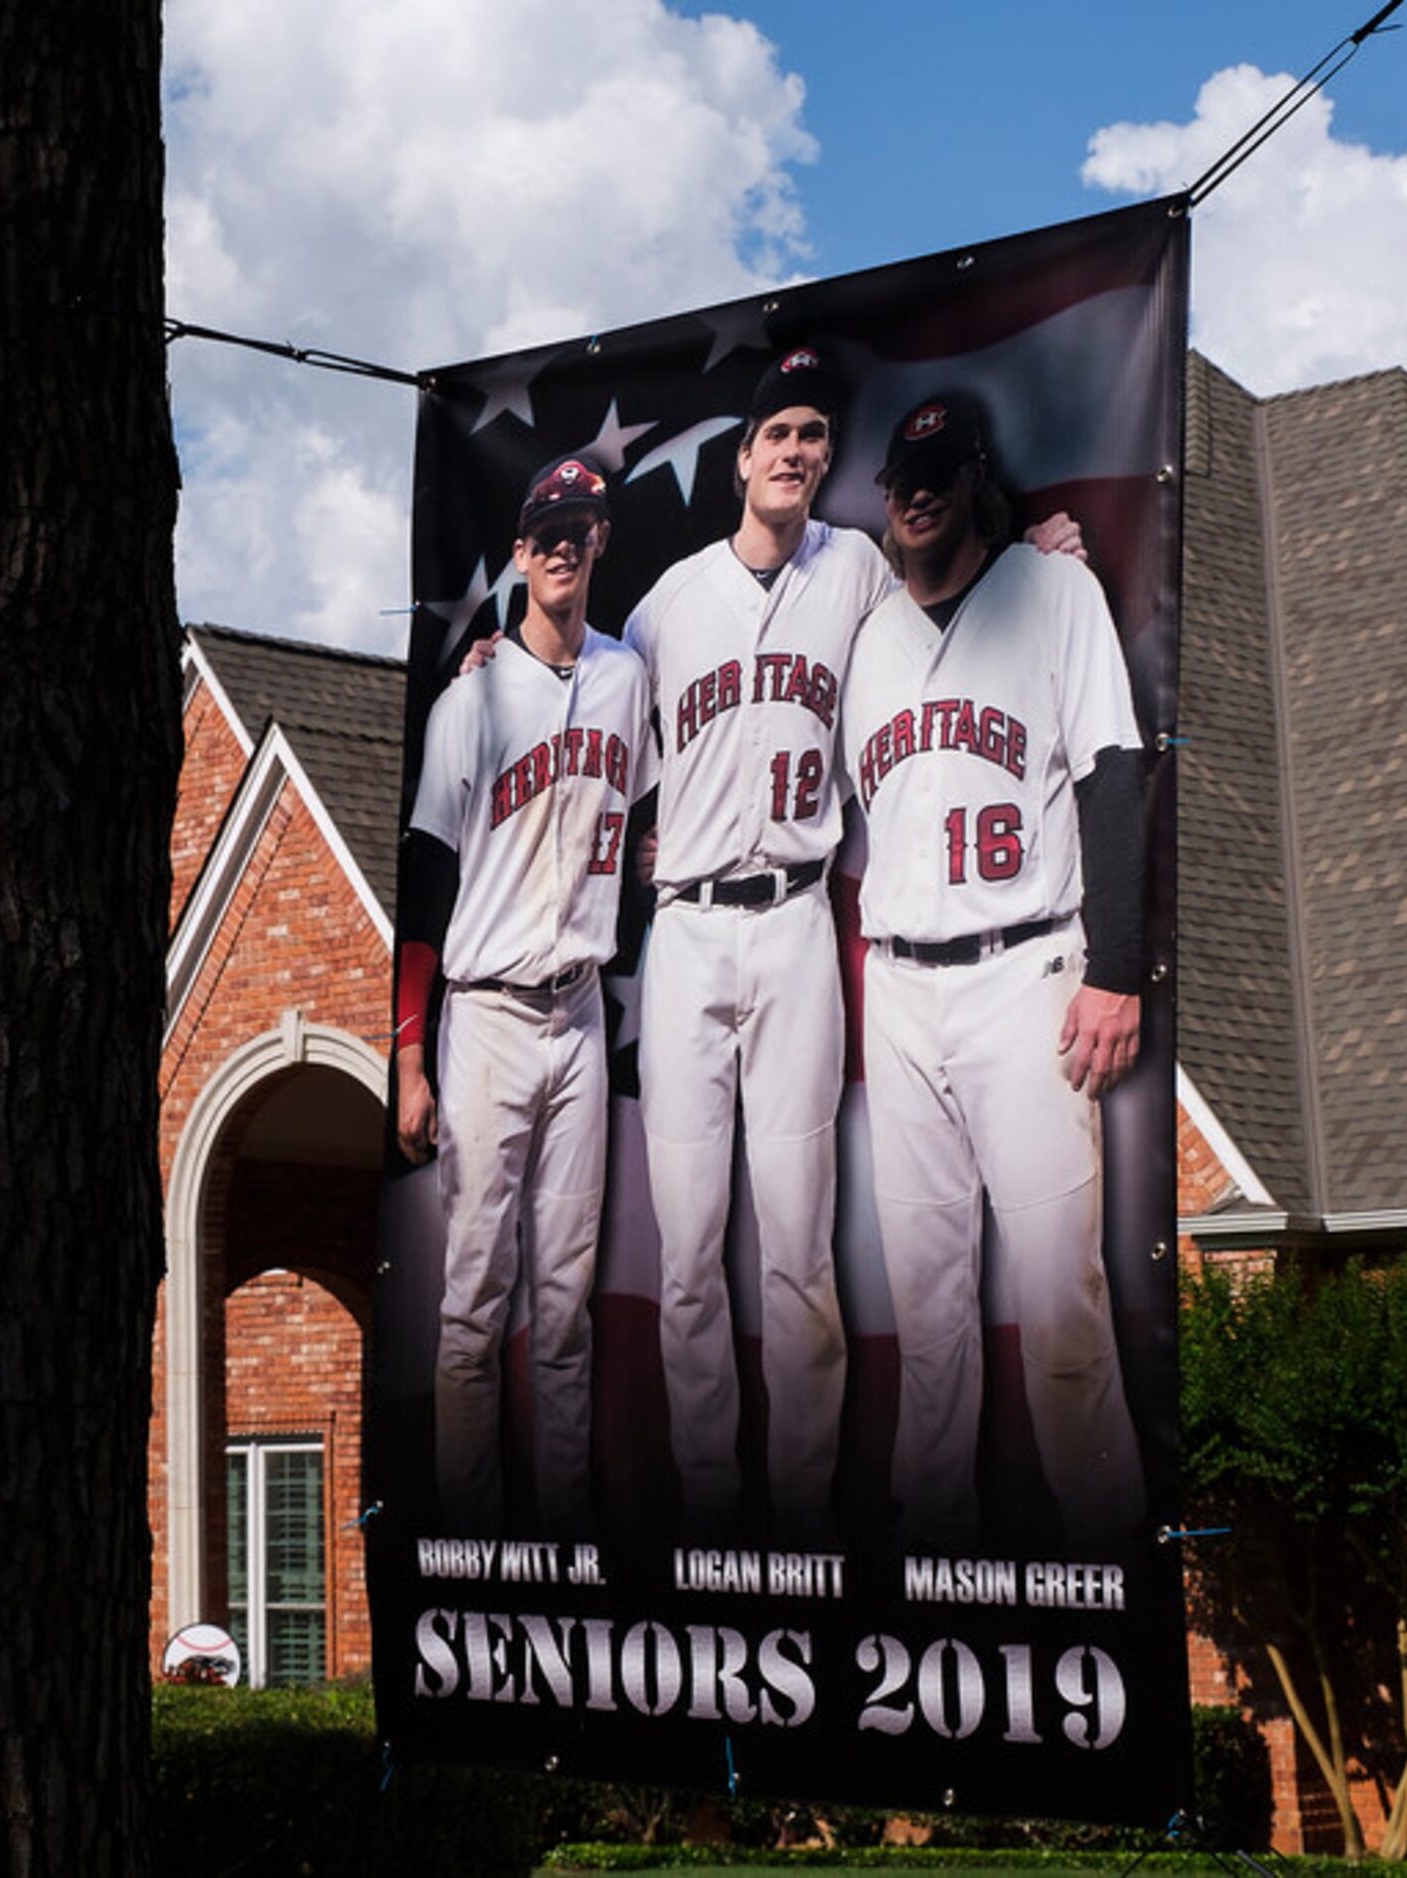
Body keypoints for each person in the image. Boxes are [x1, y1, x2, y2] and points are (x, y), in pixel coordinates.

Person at [841, 389, 1149, 1552]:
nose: (915, 491)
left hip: (1025, 974)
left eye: (937, 469)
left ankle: (1105, 1560)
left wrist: (1116, 968)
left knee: (1060, 1309)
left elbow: (1112, 772)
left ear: (974, 475)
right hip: (899, 989)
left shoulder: (1050, 588)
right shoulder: (866, 636)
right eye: (898, 475)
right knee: (926, 1319)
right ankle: (934, 1573)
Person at [621, 346, 881, 1545]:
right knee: (685, 1252)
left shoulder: (860, 572)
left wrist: (1036, 560)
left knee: (796, 1244)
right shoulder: (666, 601)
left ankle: (804, 1509)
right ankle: (710, 1512)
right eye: (776, 431)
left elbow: (954, 627)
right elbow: (583, 713)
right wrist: (490, 662)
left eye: (812, 433)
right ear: (740, 460)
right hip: (683, 931)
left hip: (792, 920)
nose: (794, 451)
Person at [395, 455, 653, 1539]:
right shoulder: (475, 691)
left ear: (599, 542)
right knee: (470, 1304)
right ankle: (471, 1538)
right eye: (543, 530)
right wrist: (406, 1057)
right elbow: (424, 869)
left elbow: (638, 826)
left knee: (565, 1305)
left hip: (580, 1011)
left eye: (577, 527)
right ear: (518, 553)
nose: (560, 545)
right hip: (489, 1013)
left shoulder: (626, 677)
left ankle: (560, 1538)